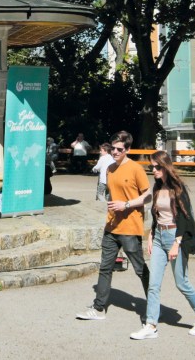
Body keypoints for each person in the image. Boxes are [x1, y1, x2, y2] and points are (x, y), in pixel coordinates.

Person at [130, 151, 195, 340]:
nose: (154, 171)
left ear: (166, 167)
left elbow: (184, 216)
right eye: (152, 167)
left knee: (181, 282)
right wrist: (151, 233)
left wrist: (177, 242)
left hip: (176, 236)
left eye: (157, 167)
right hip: (159, 236)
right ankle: (151, 325)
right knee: (153, 284)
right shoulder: (157, 187)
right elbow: (156, 212)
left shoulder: (178, 188)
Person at [76, 130, 151, 321]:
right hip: (111, 227)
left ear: (127, 149)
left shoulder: (136, 169)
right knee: (105, 267)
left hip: (130, 227)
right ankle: (99, 307)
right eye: (113, 149)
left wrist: (126, 204)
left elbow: (148, 195)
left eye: (119, 149)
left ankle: (153, 303)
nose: (115, 152)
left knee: (140, 268)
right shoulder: (109, 169)